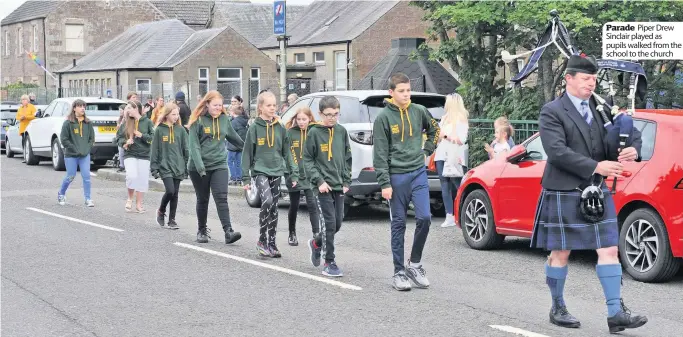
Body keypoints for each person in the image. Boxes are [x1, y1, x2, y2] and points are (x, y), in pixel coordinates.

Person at [529, 54, 647, 333]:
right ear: (568, 79)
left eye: (593, 78)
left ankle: (616, 312)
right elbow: (557, 152)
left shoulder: (601, 109)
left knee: (609, 249)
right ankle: (557, 306)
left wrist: (633, 149)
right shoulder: (552, 111)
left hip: (595, 189)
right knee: (560, 252)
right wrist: (597, 165)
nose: (591, 83)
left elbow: (624, 134)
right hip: (564, 188)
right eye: (585, 78)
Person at [372, 72, 440, 291]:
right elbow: (380, 153)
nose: (406, 95)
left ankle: (415, 263)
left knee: (425, 217)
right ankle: (399, 271)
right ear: (391, 93)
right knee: (399, 224)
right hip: (395, 176)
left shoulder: (419, 111)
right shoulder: (383, 118)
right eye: (401, 91)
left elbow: (435, 130)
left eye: (408, 90)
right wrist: (384, 183)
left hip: (417, 172)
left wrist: (427, 151)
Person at [242, 91, 297, 258]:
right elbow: (247, 153)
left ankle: (271, 243)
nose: (272, 108)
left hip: (276, 170)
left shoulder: (280, 127)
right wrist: (245, 177)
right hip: (260, 171)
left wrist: (293, 173)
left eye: (274, 105)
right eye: (269, 105)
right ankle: (261, 240)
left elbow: (288, 152)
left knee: (274, 207)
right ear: (260, 107)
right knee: (267, 201)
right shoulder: (254, 128)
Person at [187, 90, 244, 244]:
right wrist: (200, 168)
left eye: (220, 105)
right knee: (203, 198)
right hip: (199, 167)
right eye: (215, 105)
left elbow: (235, 139)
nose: (218, 108)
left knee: (221, 197)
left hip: (219, 164)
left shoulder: (224, 120)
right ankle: (201, 230)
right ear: (207, 104)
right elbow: (194, 147)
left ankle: (228, 231)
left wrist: (249, 150)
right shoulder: (197, 121)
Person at [303, 96, 351, 277]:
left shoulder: (342, 131)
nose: (332, 118)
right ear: (320, 114)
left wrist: (346, 180)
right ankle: (329, 261)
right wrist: (319, 181)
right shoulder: (314, 133)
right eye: (328, 115)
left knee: (337, 223)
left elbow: (347, 158)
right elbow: (307, 159)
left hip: (338, 184)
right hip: (322, 186)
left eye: (336, 114)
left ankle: (316, 242)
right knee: (329, 224)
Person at [284, 106, 320, 247]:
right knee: (294, 204)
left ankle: (316, 234)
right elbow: (288, 154)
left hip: (310, 175)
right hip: (294, 174)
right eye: (298, 119)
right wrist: (292, 174)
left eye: (304, 119)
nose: (301, 122)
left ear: (310, 118)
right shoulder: (290, 133)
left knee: (312, 204)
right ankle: (292, 233)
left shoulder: (315, 132)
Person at [151, 102, 189, 230]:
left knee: (175, 194)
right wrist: (154, 167)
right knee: (170, 191)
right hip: (165, 166)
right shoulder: (159, 130)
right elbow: (154, 150)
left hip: (178, 166)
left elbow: (186, 149)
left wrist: (186, 165)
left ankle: (172, 220)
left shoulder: (181, 130)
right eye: (173, 114)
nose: (176, 117)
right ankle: (161, 211)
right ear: (166, 115)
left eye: (177, 114)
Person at [434, 94, 469, 228]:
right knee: (444, 185)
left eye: (447, 102)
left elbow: (461, 139)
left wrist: (446, 136)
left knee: (457, 183)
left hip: (453, 155)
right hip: (441, 153)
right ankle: (449, 215)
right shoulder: (444, 118)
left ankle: (463, 212)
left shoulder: (461, 119)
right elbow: (438, 137)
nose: (445, 104)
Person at [116, 101, 154, 213]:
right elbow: (118, 138)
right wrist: (125, 142)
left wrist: (142, 135)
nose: (127, 110)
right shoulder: (126, 123)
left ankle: (139, 204)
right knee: (132, 176)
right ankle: (130, 198)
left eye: (129, 108)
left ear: (136, 108)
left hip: (144, 154)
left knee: (142, 180)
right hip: (130, 153)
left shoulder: (147, 122)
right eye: (126, 108)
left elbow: (153, 138)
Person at [57, 99, 95, 207]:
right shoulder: (68, 123)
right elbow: (64, 139)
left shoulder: (88, 123)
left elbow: (91, 139)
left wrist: (86, 149)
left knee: (86, 176)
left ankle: (88, 199)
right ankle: (61, 193)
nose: (83, 108)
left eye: (84, 106)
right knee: (70, 176)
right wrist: (74, 148)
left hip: (84, 155)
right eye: (80, 106)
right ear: (74, 108)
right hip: (71, 155)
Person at [228, 104, 249, 184]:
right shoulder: (245, 120)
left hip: (233, 145)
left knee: (230, 161)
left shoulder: (234, 122)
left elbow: (230, 132)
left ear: (233, 113)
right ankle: (239, 178)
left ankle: (233, 177)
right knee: (239, 162)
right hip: (241, 145)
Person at [15, 94, 36, 163]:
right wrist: (20, 118)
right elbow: (17, 117)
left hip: (30, 127)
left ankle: (30, 156)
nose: (23, 101)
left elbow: (34, 116)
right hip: (22, 127)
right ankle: (25, 157)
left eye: (25, 99)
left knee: (28, 142)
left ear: (28, 100)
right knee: (23, 143)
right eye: (22, 100)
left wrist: (26, 117)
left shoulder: (32, 107)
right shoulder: (20, 108)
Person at [116, 104, 127, 172]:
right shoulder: (119, 119)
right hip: (120, 138)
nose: (120, 112)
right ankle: (121, 165)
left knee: (123, 152)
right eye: (119, 110)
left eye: (121, 110)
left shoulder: (127, 119)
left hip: (125, 137)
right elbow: (118, 129)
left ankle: (123, 165)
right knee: (120, 152)